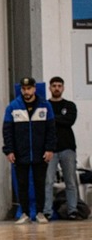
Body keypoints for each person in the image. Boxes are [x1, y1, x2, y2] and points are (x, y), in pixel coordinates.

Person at [2, 77, 56, 225]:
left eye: (29, 88)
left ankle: (40, 212)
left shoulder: (45, 106)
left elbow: (51, 130)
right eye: (24, 89)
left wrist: (50, 149)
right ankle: (25, 213)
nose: (26, 91)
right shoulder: (12, 107)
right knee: (22, 184)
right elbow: (7, 132)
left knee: (40, 184)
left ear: (34, 89)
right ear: (21, 90)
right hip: (20, 153)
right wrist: (9, 151)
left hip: (40, 153)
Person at [44, 76, 79, 220]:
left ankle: (72, 210)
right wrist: (55, 119)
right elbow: (43, 123)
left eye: (59, 85)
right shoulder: (44, 105)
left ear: (63, 88)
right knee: (48, 181)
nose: (57, 88)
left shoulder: (70, 105)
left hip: (67, 148)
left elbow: (69, 121)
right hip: (50, 149)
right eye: (54, 86)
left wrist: (52, 118)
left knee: (70, 181)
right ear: (50, 88)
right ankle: (47, 211)